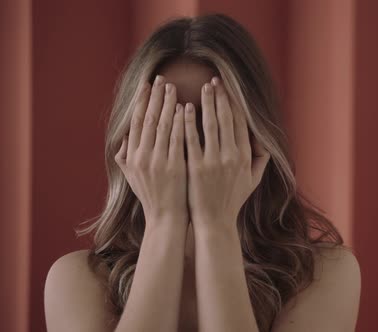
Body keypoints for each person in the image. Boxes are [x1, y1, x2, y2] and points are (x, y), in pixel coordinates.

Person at [44, 13, 360, 332]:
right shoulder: (77, 280)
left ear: (258, 138)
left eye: (214, 127)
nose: (193, 152)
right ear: (130, 145)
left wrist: (216, 224)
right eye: (164, 129)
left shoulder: (324, 274)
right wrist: (165, 221)